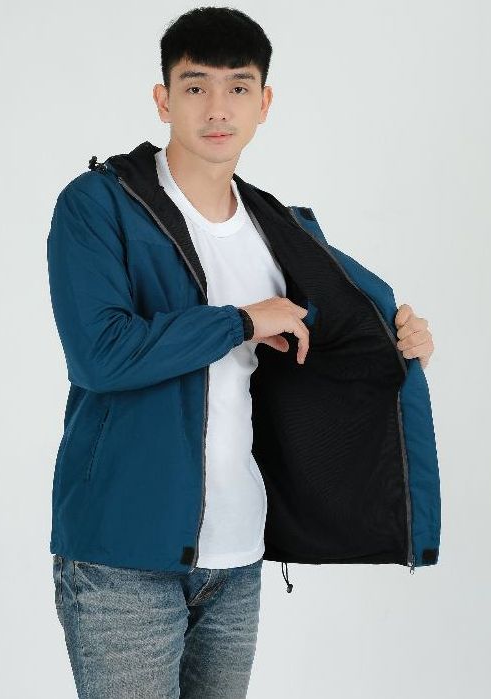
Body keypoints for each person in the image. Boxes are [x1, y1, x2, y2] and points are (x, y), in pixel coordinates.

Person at [47, 7, 436, 698]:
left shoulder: (277, 229)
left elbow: (346, 334)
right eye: (195, 86)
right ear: (163, 98)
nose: (217, 107)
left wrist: (403, 344)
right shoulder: (99, 205)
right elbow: (101, 354)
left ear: (264, 102)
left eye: (238, 86)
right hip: (123, 556)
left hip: (238, 553)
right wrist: (238, 321)